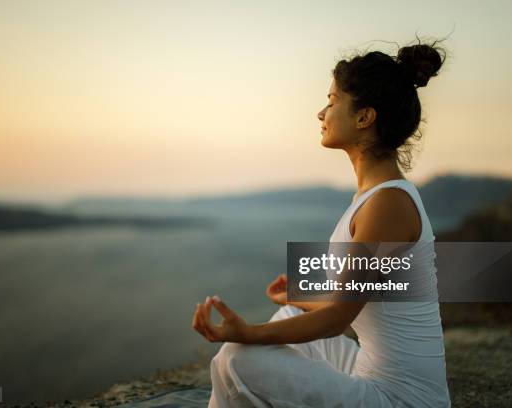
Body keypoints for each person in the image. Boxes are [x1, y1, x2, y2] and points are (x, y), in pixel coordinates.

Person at [192, 39, 451, 407]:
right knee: (287, 314)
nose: (321, 113)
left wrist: (248, 331)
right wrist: (295, 295)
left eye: (332, 101)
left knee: (238, 357)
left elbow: (338, 317)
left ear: (364, 117)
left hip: (401, 400)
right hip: (370, 372)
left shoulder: (387, 204)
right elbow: (351, 298)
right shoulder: (376, 196)